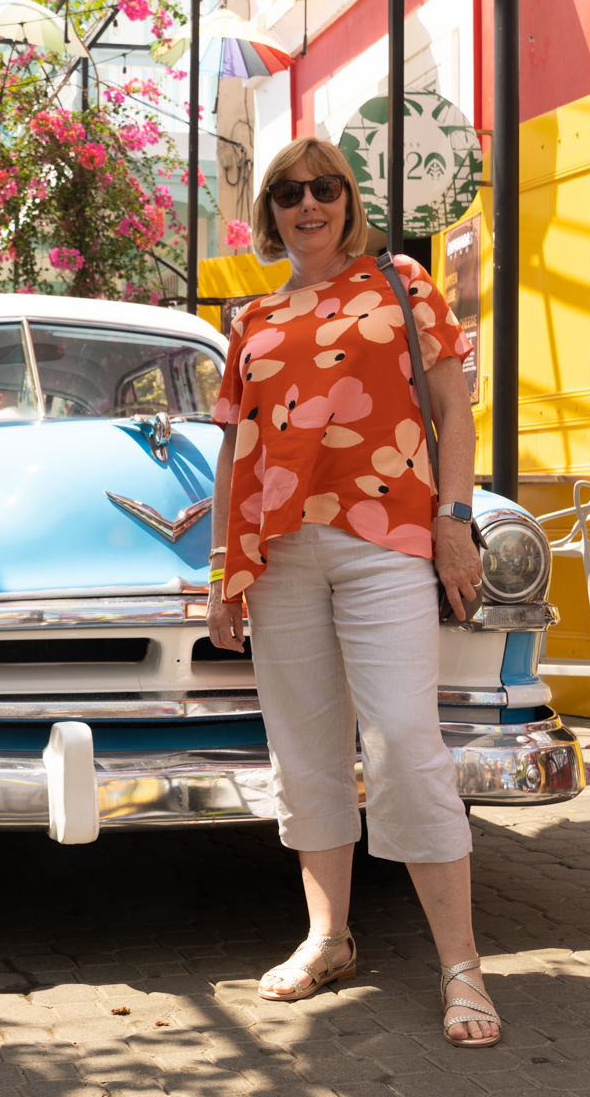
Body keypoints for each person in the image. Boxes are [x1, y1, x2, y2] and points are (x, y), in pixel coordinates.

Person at [204, 138, 497, 1046]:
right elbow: (232, 453)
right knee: (304, 750)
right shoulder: (251, 317)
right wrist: (223, 573)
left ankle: (462, 966)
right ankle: (327, 938)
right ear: (270, 213)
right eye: (288, 192)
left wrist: (453, 518)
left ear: (348, 198)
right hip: (280, 554)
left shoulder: (401, 280)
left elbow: (453, 409)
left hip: (385, 539)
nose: (308, 203)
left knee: (407, 741)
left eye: (324, 187)